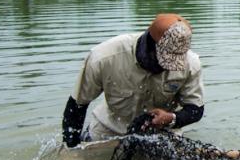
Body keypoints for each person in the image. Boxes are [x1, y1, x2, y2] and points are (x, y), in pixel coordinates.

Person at [61, 13, 205, 147]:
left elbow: (195, 110)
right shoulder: (104, 58)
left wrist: (171, 118)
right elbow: (77, 106)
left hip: (161, 133)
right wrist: (71, 150)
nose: (168, 68)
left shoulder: (190, 64)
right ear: (149, 42)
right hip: (108, 131)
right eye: (164, 60)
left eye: (175, 62)